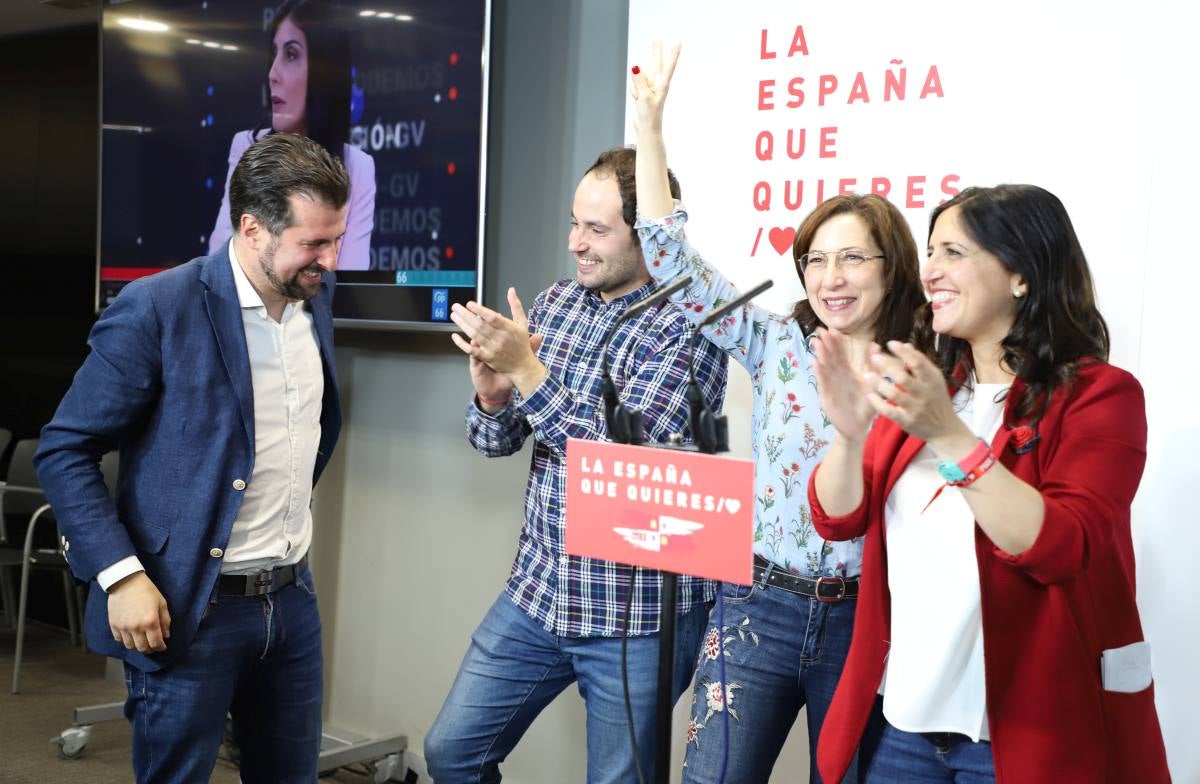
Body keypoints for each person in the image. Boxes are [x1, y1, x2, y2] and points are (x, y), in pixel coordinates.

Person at [629, 44, 927, 782]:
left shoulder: (928, 371)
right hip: (757, 606)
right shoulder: (777, 341)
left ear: (893, 266)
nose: (832, 278)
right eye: (816, 260)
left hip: (868, 622)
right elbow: (670, 262)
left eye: (853, 259)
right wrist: (651, 126)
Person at [808, 184, 1171, 783]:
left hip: (1022, 737)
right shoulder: (933, 389)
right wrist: (849, 437)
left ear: (1021, 275)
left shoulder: (1101, 396)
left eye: (953, 252)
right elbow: (838, 518)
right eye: (930, 253)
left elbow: (1060, 547)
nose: (930, 272)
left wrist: (950, 437)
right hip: (904, 726)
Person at [35, 132, 349, 782]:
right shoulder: (158, 307)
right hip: (191, 609)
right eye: (314, 242)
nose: (330, 258)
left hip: (290, 599)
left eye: (336, 237)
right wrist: (120, 576)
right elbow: (66, 450)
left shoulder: (314, 302)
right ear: (253, 228)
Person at [423, 146, 728, 782]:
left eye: (596, 229)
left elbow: (625, 466)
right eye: (574, 223)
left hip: (638, 614)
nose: (574, 243)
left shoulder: (690, 325)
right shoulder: (558, 303)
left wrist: (528, 372)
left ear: (647, 236)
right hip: (540, 590)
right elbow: (496, 442)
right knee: (452, 752)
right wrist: (493, 393)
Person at [208, 0, 375, 270]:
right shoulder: (247, 147)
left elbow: (348, 282)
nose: (272, 74)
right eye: (274, 54)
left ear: (324, 72)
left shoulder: (358, 167)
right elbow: (219, 263)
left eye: (291, 55)